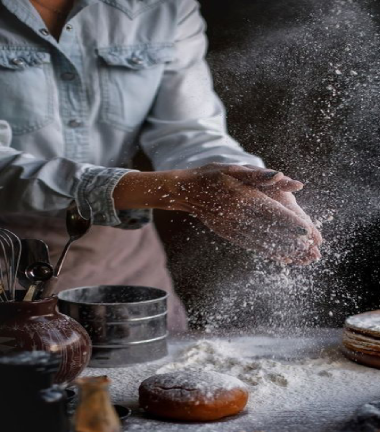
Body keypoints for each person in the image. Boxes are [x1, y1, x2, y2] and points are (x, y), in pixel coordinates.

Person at [0, 0, 322, 331]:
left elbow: (187, 129)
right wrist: (170, 190)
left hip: (120, 256)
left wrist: (242, 181)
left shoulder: (163, 5)